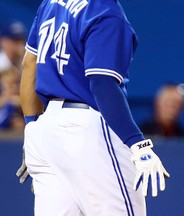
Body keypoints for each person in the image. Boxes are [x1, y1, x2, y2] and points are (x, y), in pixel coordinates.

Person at [16, 0, 169, 215]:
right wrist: (137, 144)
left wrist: (31, 126)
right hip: (85, 130)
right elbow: (102, 82)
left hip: (45, 131)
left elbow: (29, 63)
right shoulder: (105, 11)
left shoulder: (50, 4)